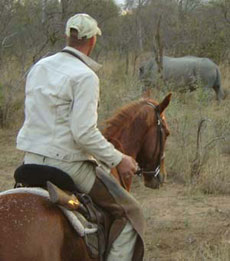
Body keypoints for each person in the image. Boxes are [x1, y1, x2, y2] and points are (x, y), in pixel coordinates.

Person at [16, 13, 145, 261]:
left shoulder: (39, 67)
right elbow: (84, 133)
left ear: (68, 36)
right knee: (131, 214)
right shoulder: (85, 76)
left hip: (29, 160)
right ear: (93, 41)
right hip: (68, 165)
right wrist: (119, 159)